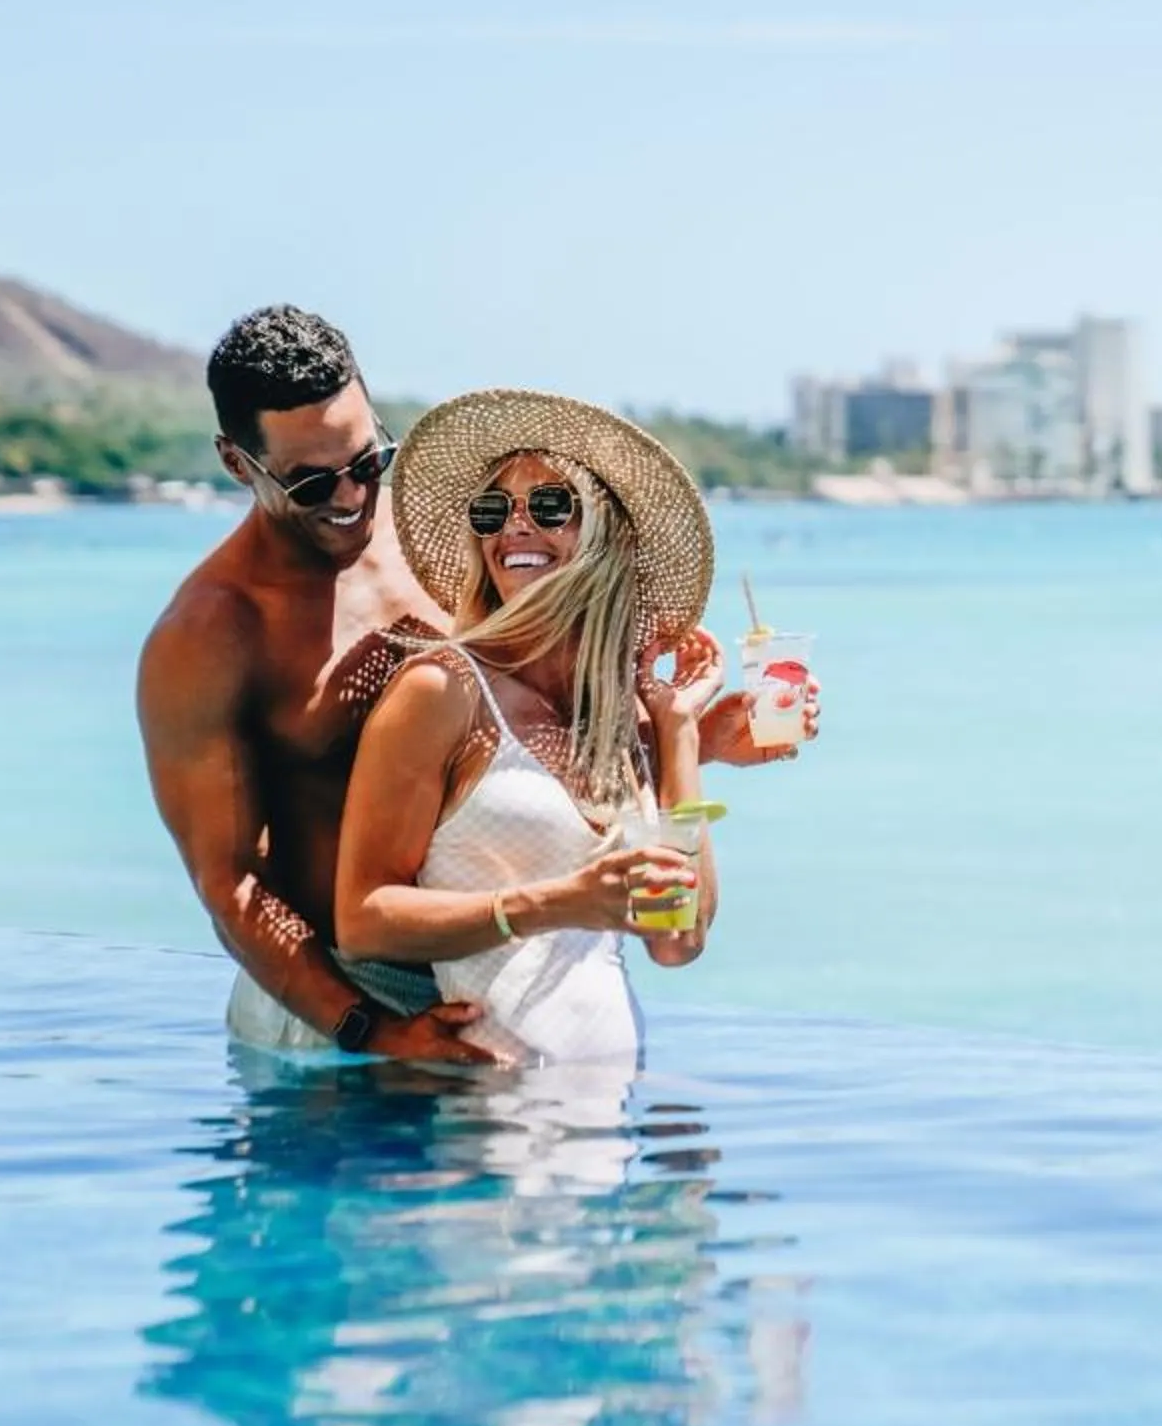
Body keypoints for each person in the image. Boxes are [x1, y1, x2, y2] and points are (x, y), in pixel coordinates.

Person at [137, 306, 810, 1063]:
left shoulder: (453, 541)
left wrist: (687, 739)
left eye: (367, 461)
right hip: (332, 1024)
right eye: (313, 482)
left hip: (474, 987)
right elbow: (231, 888)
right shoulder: (212, 634)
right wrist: (367, 1028)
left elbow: (502, 748)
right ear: (238, 463)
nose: (354, 496)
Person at [332, 389, 726, 1064]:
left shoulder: (608, 721)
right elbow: (363, 920)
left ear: (610, 536)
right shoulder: (442, 691)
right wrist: (556, 903)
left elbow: (678, 939)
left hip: (606, 1119)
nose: (513, 527)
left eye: (548, 506)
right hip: (491, 1126)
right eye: (492, 510)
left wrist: (678, 730)